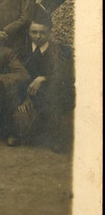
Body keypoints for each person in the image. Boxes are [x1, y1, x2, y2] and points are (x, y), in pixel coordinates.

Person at [17, 15, 74, 152]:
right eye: (34, 32)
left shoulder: (63, 51)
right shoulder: (21, 51)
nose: (37, 36)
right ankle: (17, 133)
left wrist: (43, 78)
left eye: (42, 32)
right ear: (29, 32)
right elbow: (17, 76)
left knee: (55, 95)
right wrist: (24, 98)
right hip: (28, 95)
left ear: (50, 32)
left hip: (54, 95)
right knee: (21, 118)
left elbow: (67, 77)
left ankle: (57, 139)